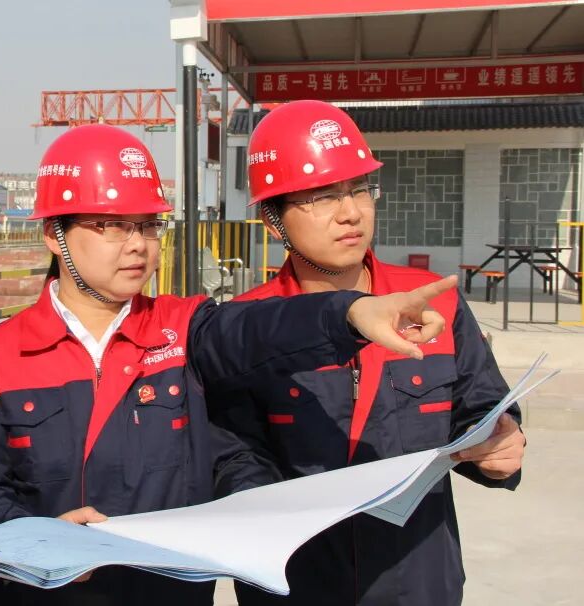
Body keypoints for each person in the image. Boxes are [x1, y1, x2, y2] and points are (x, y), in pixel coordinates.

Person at [0, 124, 457, 606]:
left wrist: (349, 313)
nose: (137, 244)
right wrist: (39, 539)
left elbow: (258, 330)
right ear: (54, 234)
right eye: (112, 226)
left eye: (148, 225)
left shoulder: (185, 331)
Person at [213, 99, 524, 606]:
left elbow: (481, 407)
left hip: (419, 579)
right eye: (322, 197)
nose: (351, 213)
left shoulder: (434, 301)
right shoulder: (246, 329)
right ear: (273, 220)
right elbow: (231, 453)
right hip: (297, 583)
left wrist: (501, 443)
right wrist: (257, 503)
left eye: (359, 189)